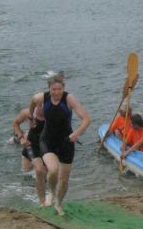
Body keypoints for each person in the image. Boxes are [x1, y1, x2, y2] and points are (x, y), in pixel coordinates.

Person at [28, 74, 90, 215]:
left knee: (64, 179)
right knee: (53, 170)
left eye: (59, 89)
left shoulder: (69, 99)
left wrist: (77, 133)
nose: (57, 92)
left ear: (64, 88)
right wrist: (31, 118)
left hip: (66, 141)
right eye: (53, 89)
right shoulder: (42, 97)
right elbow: (32, 101)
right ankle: (51, 192)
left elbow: (86, 119)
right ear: (49, 89)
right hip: (48, 140)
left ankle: (59, 204)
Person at [12, 107, 48, 202]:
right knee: (26, 174)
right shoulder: (28, 112)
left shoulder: (53, 113)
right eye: (40, 104)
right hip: (30, 146)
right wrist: (21, 138)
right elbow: (15, 123)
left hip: (46, 148)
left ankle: (42, 198)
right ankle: (28, 197)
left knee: (43, 176)